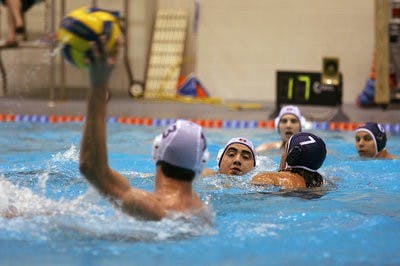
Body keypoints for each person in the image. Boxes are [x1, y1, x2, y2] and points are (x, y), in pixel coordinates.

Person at [79, 40, 212, 222]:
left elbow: (91, 168)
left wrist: (98, 85)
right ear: (201, 163)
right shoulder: (202, 211)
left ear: (157, 150)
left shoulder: (154, 208)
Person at [252, 132, 326, 189]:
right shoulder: (320, 184)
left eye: (285, 149)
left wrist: (281, 172)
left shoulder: (268, 178)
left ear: (291, 156)